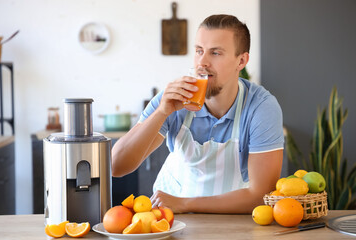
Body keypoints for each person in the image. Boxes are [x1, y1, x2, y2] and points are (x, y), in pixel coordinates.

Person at [111, 14, 284, 214]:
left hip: (232, 222)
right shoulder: (172, 98)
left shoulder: (261, 107)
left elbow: (261, 196)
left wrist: (185, 204)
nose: (202, 62)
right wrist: (161, 112)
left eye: (215, 53)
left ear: (241, 60)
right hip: (170, 221)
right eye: (199, 51)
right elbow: (117, 166)